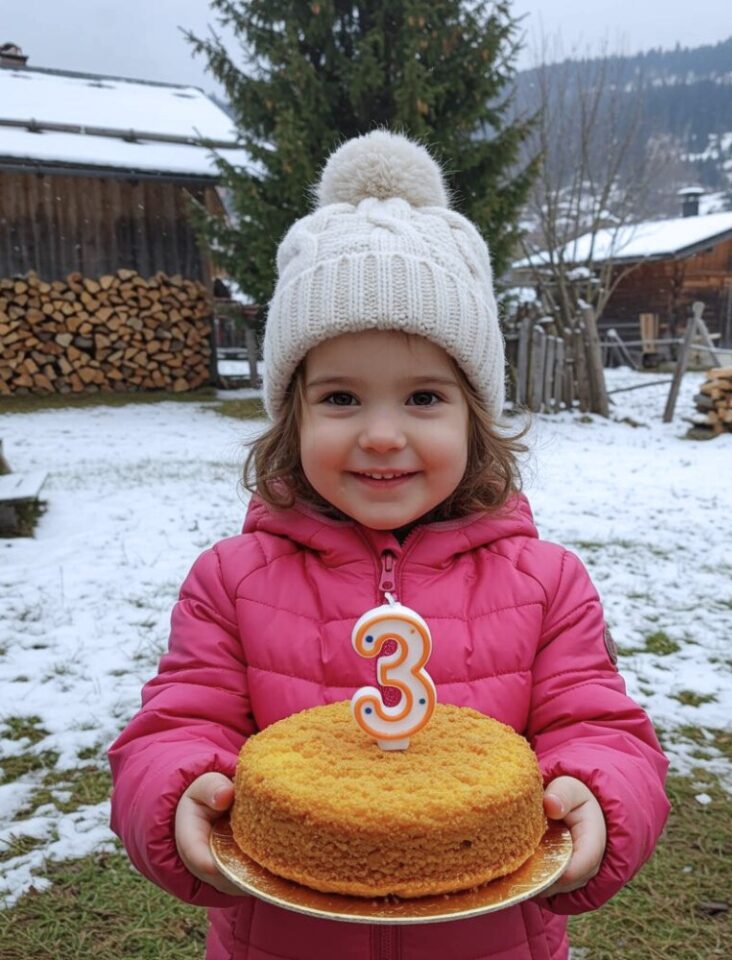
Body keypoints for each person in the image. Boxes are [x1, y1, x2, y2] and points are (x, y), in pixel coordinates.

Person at [109, 130, 669, 960]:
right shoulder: (230, 581)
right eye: (340, 397)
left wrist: (599, 795)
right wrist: (176, 791)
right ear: (290, 416)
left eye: (423, 397)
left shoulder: (547, 583)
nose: (380, 434)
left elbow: (600, 727)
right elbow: (177, 723)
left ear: (475, 418)